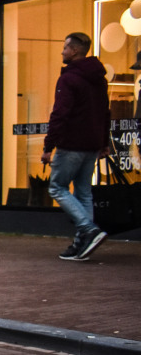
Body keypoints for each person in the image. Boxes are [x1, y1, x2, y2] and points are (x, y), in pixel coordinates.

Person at [40, 31, 110, 261]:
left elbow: (60, 113)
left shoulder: (69, 78)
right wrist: (103, 142)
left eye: (66, 47)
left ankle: (88, 230)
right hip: (91, 144)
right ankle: (83, 244)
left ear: (76, 50)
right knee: (83, 192)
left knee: (57, 187)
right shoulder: (98, 78)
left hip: (71, 144)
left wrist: (48, 146)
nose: (62, 51)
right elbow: (104, 112)